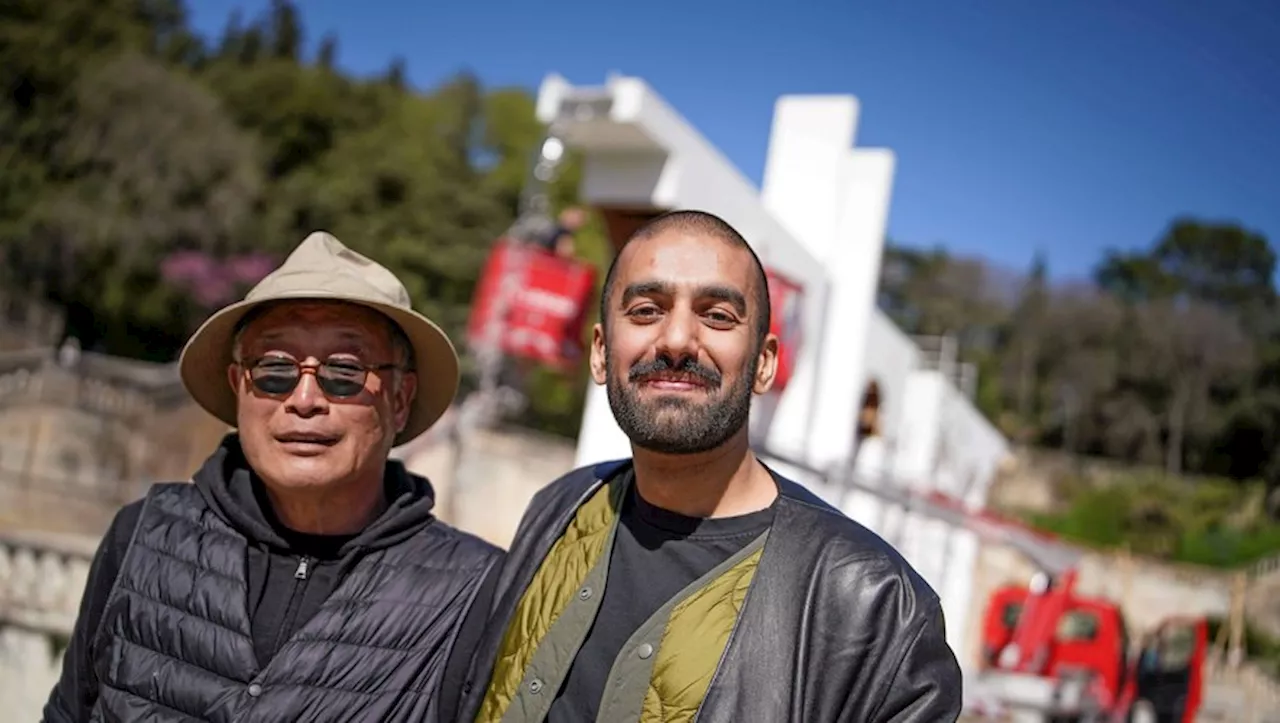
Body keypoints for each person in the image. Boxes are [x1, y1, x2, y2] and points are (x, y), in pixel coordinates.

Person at [456, 210, 962, 723]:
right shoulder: (559, 509)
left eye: (718, 315)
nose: (676, 340)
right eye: (647, 310)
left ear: (764, 363)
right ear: (602, 353)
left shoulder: (878, 610)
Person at [43, 231, 503, 723]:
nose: (304, 399)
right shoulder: (144, 534)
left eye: (343, 372)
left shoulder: (476, 595)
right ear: (239, 385)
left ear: (399, 398)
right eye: (274, 369)